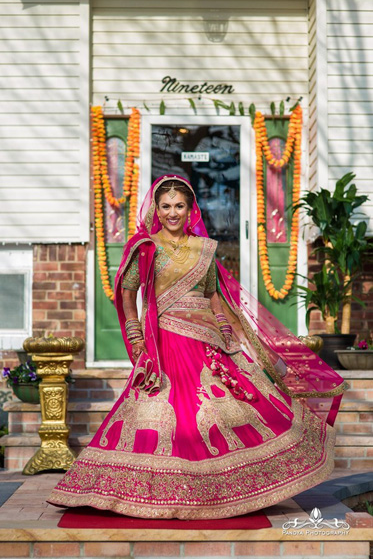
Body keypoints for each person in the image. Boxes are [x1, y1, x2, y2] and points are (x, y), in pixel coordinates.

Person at [48, 175, 347, 519]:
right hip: (165, 344)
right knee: (165, 416)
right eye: (165, 207)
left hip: (207, 340)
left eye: (179, 206)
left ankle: (229, 489)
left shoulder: (204, 249)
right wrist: (137, 341)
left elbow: (214, 297)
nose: (172, 213)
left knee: (233, 410)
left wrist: (226, 333)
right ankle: (129, 490)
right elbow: (128, 296)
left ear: (190, 210)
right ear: (155, 210)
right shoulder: (144, 248)